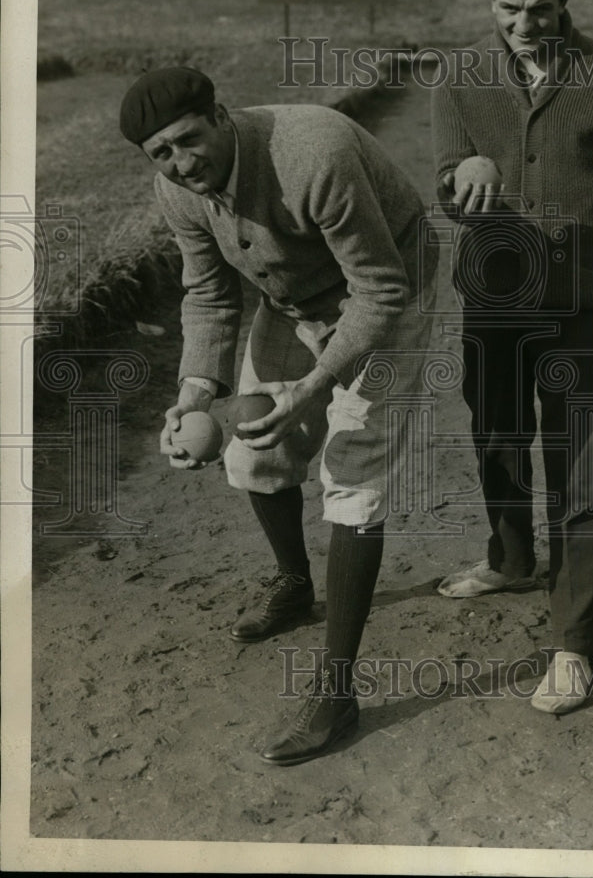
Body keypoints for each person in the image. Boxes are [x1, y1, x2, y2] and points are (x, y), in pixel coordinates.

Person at [120, 67, 437, 762]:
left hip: (389, 294)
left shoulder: (311, 153)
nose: (181, 162)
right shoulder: (177, 188)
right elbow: (208, 295)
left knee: (353, 475)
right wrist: (196, 391)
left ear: (221, 115)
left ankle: (337, 691)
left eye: (188, 140)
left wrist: (317, 383)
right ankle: (295, 583)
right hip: (292, 299)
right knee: (252, 453)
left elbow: (379, 289)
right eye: (161, 153)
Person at [430, 0, 593, 713]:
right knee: (497, 435)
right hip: (496, 297)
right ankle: (510, 557)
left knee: (583, 469)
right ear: (490, 6)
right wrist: (459, 176)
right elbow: (446, 180)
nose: (524, 24)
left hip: (587, 303)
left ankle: (573, 647)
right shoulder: (462, 77)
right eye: (508, 11)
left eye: (539, 9)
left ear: (564, 1)